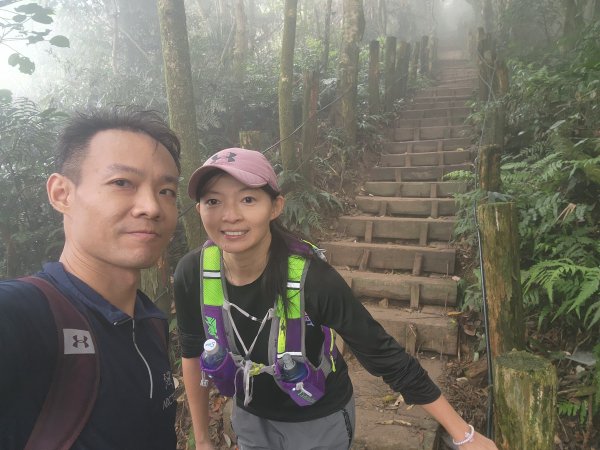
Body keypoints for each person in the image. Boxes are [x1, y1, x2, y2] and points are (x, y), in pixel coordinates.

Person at [174, 147, 498, 450]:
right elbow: (192, 351)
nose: (229, 216)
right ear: (200, 208)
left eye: (247, 199)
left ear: (275, 206)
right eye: (213, 201)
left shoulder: (313, 280)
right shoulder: (194, 272)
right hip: (249, 417)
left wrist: (463, 434)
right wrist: (201, 439)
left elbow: (381, 353)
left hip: (318, 419)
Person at [0, 108, 181, 449]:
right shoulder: (25, 314)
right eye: (122, 183)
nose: (152, 207)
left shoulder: (150, 323)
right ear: (61, 194)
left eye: (166, 191)